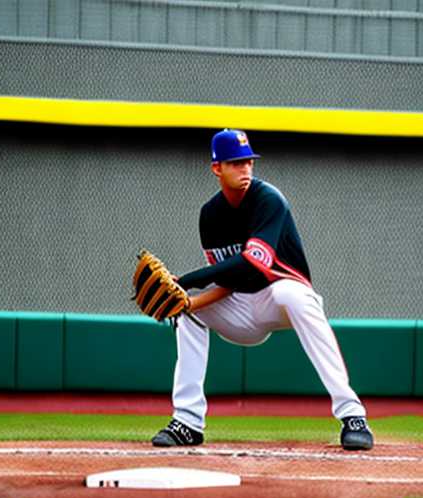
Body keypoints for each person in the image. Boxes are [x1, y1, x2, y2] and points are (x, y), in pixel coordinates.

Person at [151, 130, 374, 452]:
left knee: (292, 295)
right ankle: (187, 421)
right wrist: (188, 300)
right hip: (240, 307)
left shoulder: (268, 199)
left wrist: (185, 280)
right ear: (217, 168)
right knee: (187, 313)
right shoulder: (210, 215)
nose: (245, 169)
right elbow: (229, 280)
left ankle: (352, 415)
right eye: (236, 163)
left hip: (279, 300)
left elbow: (254, 263)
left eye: (249, 162)